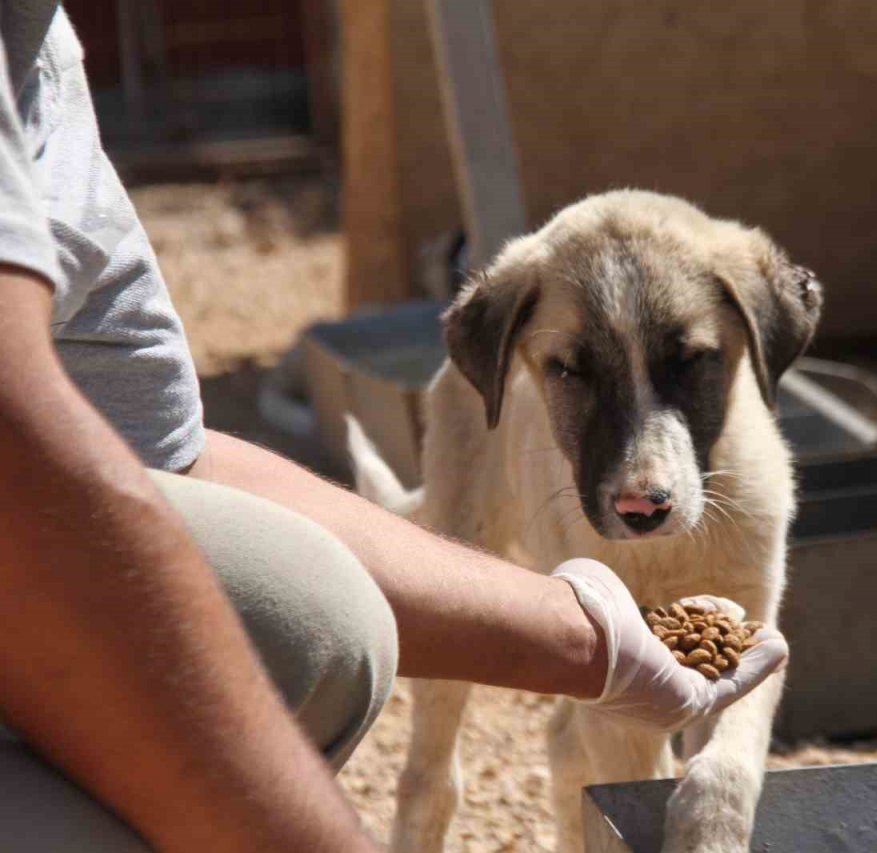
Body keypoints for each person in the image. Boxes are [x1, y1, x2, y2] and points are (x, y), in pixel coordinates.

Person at [0, 5, 788, 850]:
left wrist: (581, 639)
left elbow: (164, 453)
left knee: (330, 621)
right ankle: (421, 812)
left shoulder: (46, 60)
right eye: (569, 372)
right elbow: (26, 480)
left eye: (691, 364)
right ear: (506, 364)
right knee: (382, 672)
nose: (641, 472)